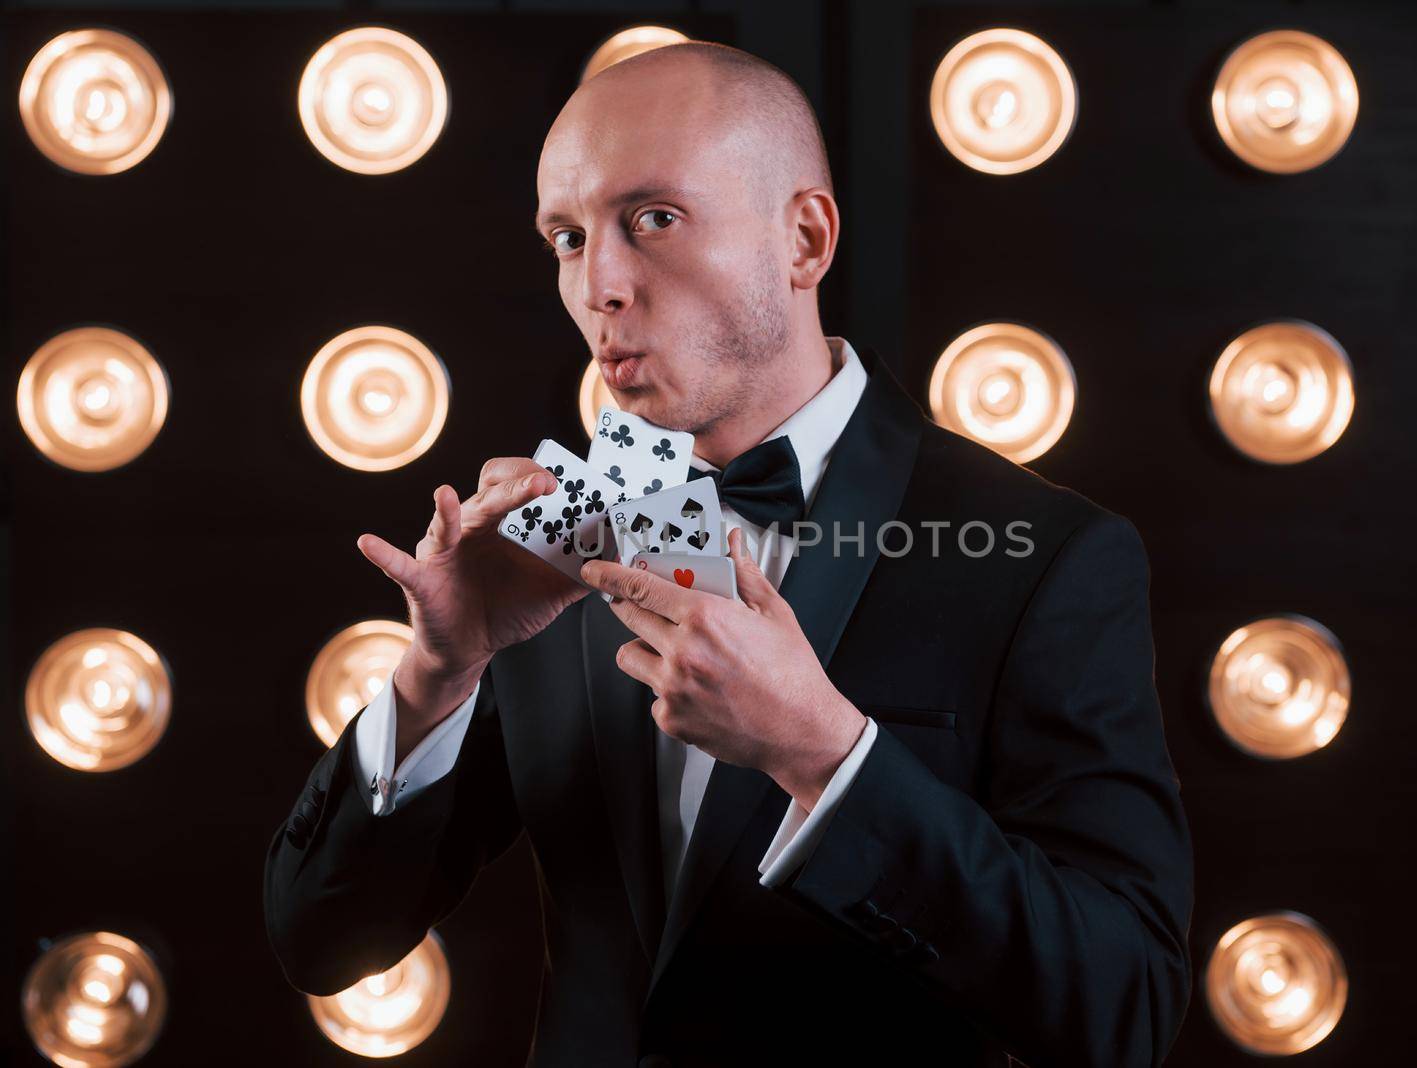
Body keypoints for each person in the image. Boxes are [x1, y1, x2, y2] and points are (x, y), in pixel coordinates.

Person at [263, 41, 1194, 1068]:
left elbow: (1126, 1007)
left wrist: (825, 757)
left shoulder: (1047, 558)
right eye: (567, 238)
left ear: (803, 238)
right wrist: (439, 673)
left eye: (652, 219)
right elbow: (322, 941)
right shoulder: (554, 539)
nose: (597, 286)